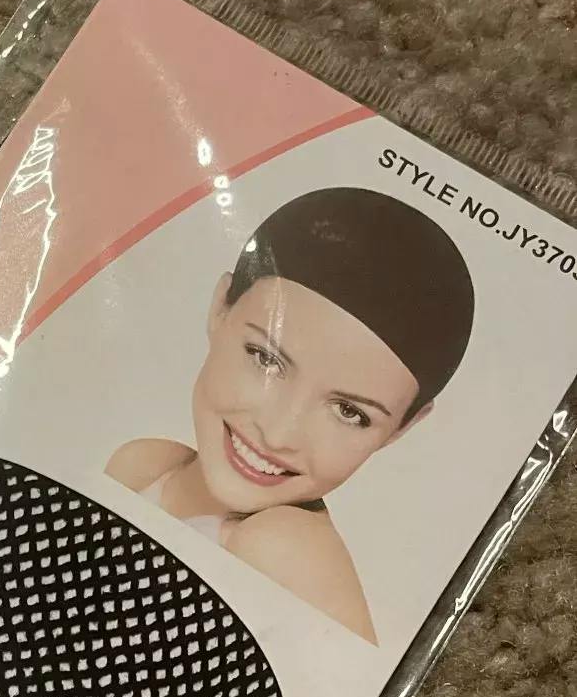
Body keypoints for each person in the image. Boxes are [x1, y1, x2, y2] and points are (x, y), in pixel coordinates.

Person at [106, 186, 475, 643]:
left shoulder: (283, 548)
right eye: (265, 359)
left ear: (403, 427)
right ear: (220, 308)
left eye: (348, 411)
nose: (278, 434)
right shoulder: (145, 463)